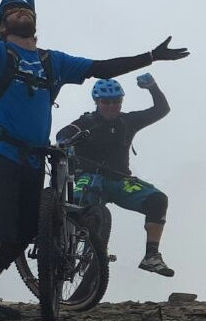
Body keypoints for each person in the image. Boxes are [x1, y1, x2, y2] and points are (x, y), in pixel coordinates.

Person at [0, 0, 189, 321]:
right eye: (13, 11)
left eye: (27, 10)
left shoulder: (52, 62)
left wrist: (151, 57)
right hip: (2, 154)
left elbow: (101, 67)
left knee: (26, 231)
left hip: (34, 159)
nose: (22, 12)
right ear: (2, 27)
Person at [54, 75, 175, 277]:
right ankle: (64, 247)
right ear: (97, 102)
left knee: (158, 200)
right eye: (106, 102)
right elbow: (63, 134)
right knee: (78, 208)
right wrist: (64, 142)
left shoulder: (128, 121)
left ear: (121, 101)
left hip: (119, 180)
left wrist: (153, 87)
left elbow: (161, 110)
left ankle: (151, 256)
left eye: (116, 101)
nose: (111, 106)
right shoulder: (86, 122)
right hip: (89, 177)